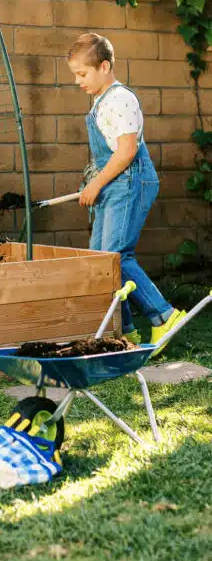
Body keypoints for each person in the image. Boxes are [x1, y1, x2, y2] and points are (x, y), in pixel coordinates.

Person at [67, 32, 185, 350]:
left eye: (82, 73)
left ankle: (164, 316)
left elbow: (126, 152)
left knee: (117, 257)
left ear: (104, 66)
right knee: (101, 260)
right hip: (114, 183)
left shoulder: (120, 99)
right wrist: (93, 178)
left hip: (131, 181)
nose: (78, 81)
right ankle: (125, 332)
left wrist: (96, 183)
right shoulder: (101, 102)